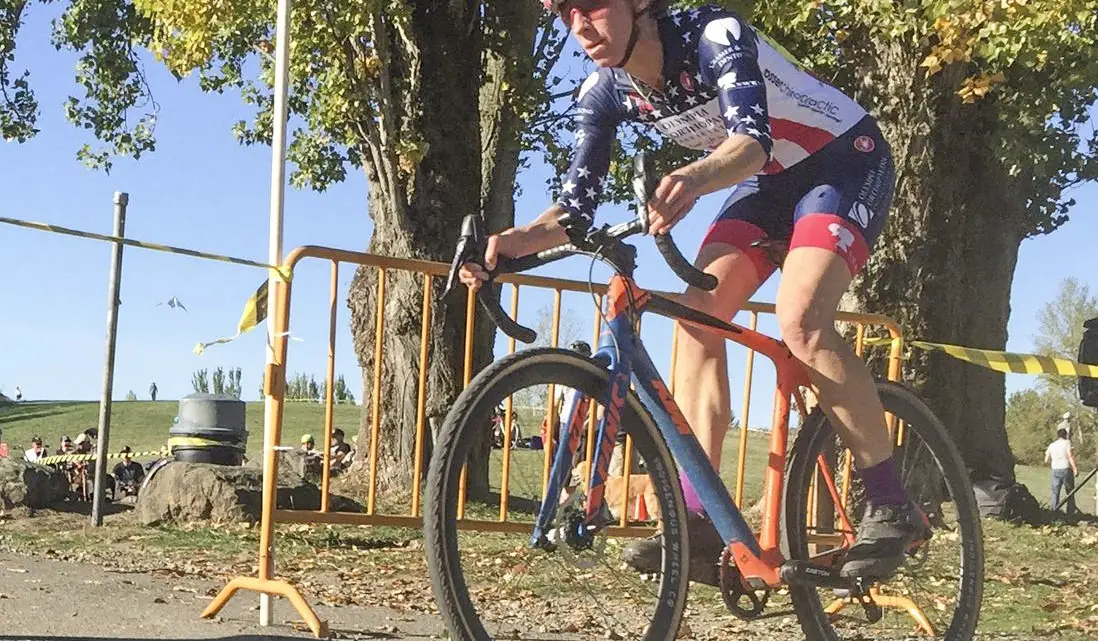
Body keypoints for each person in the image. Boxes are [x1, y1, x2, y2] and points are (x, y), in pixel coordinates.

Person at [459, 0, 920, 583]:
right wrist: (510, 245)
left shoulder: (712, 34)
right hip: (767, 182)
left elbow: (751, 141)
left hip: (842, 161)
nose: (579, 26)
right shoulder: (604, 92)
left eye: (592, 5)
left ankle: (890, 500)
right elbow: (574, 210)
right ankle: (700, 519)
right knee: (697, 319)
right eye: (563, 13)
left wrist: (693, 179)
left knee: (800, 319)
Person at [1045, 428, 1078, 515]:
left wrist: (1054, 461)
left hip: (1055, 469)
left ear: (1057, 435)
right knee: (1070, 491)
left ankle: (1054, 511)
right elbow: (1070, 455)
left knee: (1055, 492)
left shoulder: (1052, 445)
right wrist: (1075, 468)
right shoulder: (1067, 443)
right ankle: (1070, 512)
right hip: (1065, 468)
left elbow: (1046, 459)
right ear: (1065, 435)